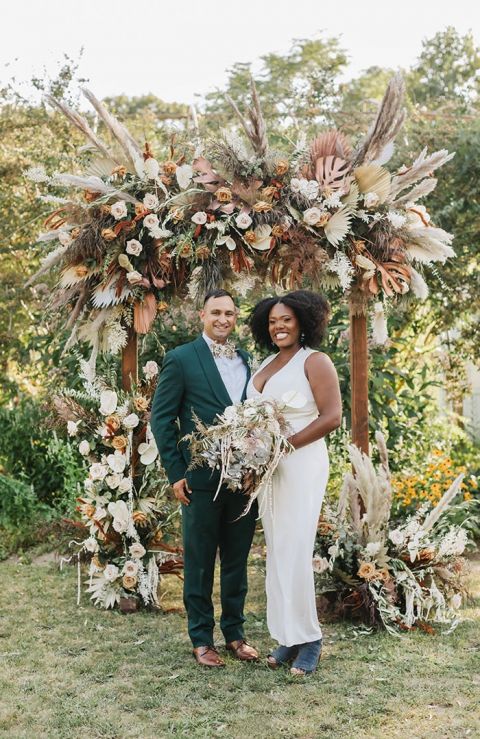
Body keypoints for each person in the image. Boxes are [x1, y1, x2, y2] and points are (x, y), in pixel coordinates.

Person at [150, 289, 259, 668]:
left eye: (229, 313)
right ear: (202, 315)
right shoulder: (180, 359)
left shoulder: (249, 361)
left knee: (237, 560)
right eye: (216, 312)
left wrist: (255, 466)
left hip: (244, 480)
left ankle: (235, 634)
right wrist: (176, 471)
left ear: (236, 317)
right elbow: (160, 418)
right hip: (199, 479)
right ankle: (201, 639)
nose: (223, 319)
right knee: (198, 562)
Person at [247, 290, 342, 675]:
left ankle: (311, 638)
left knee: (296, 549)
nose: (279, 326)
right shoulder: (267, 362)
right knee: (278, 549)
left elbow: (332, 416)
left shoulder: (315, 362)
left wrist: (284, 446)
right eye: (272, 321)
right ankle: (288, 635)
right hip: (270, 469)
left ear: (303, 322)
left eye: (286, 319)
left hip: (301, 463)